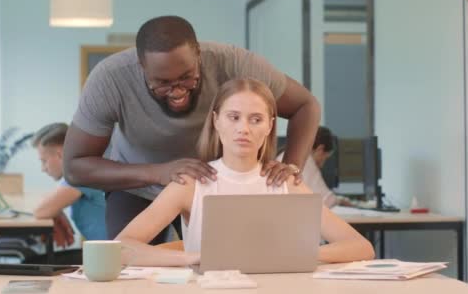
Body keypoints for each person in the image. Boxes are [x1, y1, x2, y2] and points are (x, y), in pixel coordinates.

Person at [63, 16, 321, 243]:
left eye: (187, 77)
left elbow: (305, 105)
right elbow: (75, 167)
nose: (177, 91)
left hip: (211, 186)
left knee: (232, 264)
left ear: (198, 54)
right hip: (136, 186)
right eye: (162, 83)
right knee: (132, 271)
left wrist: (291, 168)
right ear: (141, 65)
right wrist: (159, 172)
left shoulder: (234, 63)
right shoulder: (110, 79)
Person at [115, 79, 375, 266]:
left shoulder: (285, 183)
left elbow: (361, 247)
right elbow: (122, 248)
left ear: (269, 126)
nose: (244, 129)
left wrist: (298, 254)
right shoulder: (191, 184)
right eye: (234, 117)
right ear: (216, 121)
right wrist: (193, 257)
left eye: (256, 119)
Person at [31, 123, 107, 255]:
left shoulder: (81, 172)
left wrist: (54, 209)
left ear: (60, 155)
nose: (43, 169)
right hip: (107, 254)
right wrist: (57, 211)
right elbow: (48, 206)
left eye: (44, 161)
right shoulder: (85, 166)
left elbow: (41, 211)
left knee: (31, 263)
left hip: (112, 258)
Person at [278, 126, 352, 208]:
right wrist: (340, 201)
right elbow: (327, 201)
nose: (323, 164)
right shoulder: (306, 160)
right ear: (320, 149)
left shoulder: (286, 155)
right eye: (325, 157)